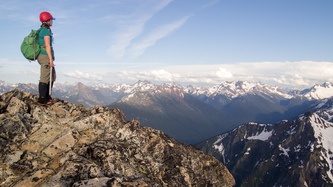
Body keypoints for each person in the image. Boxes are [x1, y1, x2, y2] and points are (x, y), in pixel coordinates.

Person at [37, 11, 56, 105]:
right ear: (47, 20)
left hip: (45, 55)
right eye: (51, 19)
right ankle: (42, 99)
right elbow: (47, 46)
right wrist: (50, 60)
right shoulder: (45, 31)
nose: (52, 21)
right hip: (45, 56)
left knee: (52, 76)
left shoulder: (43, 30)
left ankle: (47, 96)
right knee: (45, 77)